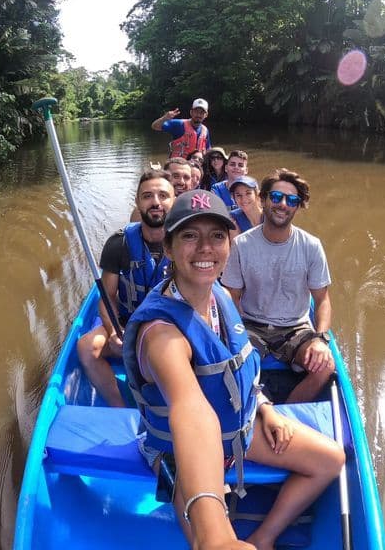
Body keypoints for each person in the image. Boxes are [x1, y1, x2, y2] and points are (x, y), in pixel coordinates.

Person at [123, 190, 344, 550]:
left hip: (237, 432)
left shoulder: (220, 298)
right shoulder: (162, 334)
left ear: (230, 244)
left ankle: (265, 536)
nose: (205, 248)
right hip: (183, 454)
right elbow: (190, 412)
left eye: (217, 236)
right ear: (170, 245)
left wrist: (265, 409)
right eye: (190, 236)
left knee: (330, 459)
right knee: (205, 541)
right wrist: (216, 537)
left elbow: (240, 371)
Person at [221, 169, 334, 404]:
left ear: (297, 206)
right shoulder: (241, 245)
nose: (283, 204)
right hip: (252, 325)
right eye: (276, 197)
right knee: (226, 364)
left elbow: (322, 300)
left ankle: (287, 414)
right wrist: (234, 334)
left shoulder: (311, 246)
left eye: (291, 200)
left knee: (325, 366)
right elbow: (232, 297)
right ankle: (261, 408)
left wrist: (320, 339)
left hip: (296, 328)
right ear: (263, 199)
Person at [76, 170, 175, 407]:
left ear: (174, 201)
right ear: (138, 202)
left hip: (170, 325)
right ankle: (120, 408)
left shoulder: (186, 240)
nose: (156, 202)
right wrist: (113, 332)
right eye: (147, 196)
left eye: (163, 195)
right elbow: (107, 296)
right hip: (128, 322)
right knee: (87, 347)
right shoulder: (118, 243)